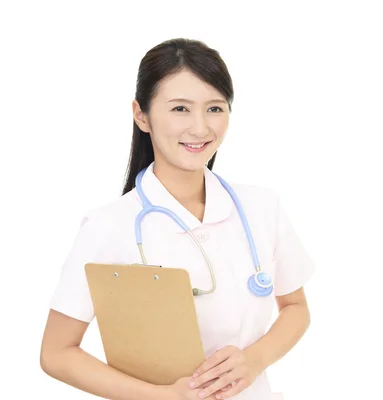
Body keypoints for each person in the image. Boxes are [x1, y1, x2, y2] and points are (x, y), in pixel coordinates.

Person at [39, 38, 315, 400]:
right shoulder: (108, 226)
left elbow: (295, 307)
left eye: (215, 108)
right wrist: (163, 396)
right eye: (180, 109)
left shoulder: (262, 207)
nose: (200, 128)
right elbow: (57, 354)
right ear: (142, 115)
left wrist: (255, 359)